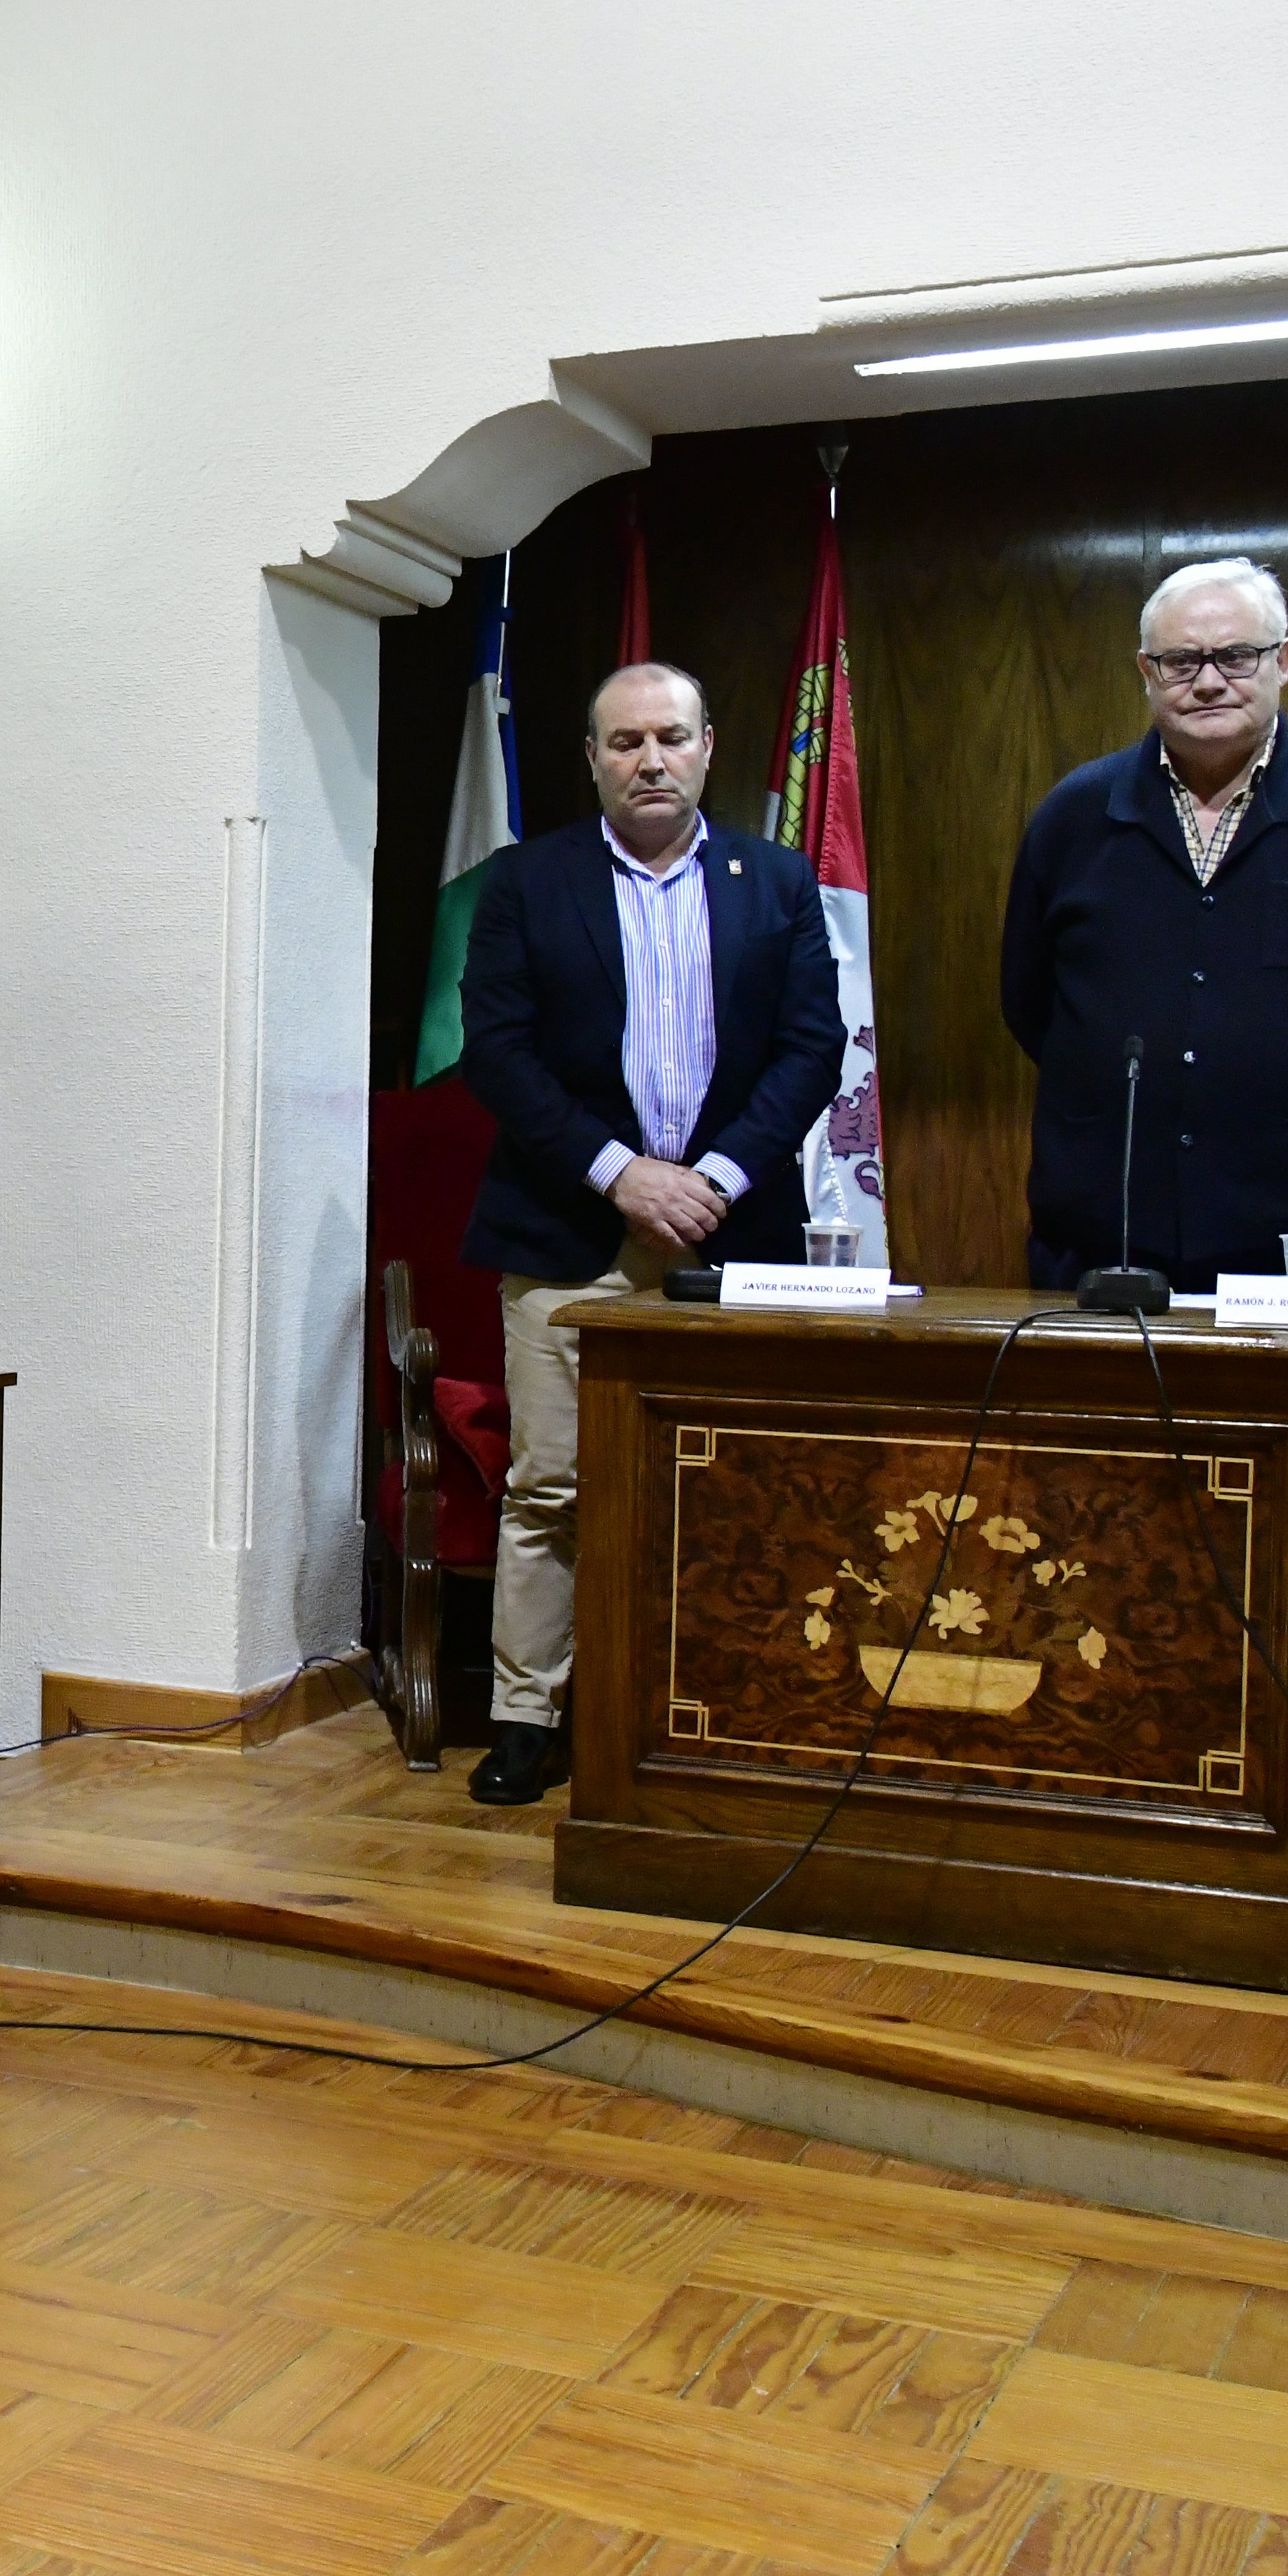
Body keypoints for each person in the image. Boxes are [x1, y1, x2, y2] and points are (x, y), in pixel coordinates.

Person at [453, 662, 846, 1806]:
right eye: (624, 740)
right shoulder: (529, 882)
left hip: (734, 1230)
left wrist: (710, 1178)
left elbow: (810, 1051)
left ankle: (740, 1697)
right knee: (553, 1486)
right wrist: (624, 1174)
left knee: (746, 1481)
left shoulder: (774, 881)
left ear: (709, 746)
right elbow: (499, 1054)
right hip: (566, 1228)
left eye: (670, 736)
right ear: (592, 759)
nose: (650, 759)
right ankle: (527, 1715)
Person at [1001, 556, 1288, 1287]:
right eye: (1181, 660)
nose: (1209, 680)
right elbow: (1031, 1004)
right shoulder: (1074, 817)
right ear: (1147, 672)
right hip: (1102, 1241)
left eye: (1235, 656)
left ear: (1283, 662)